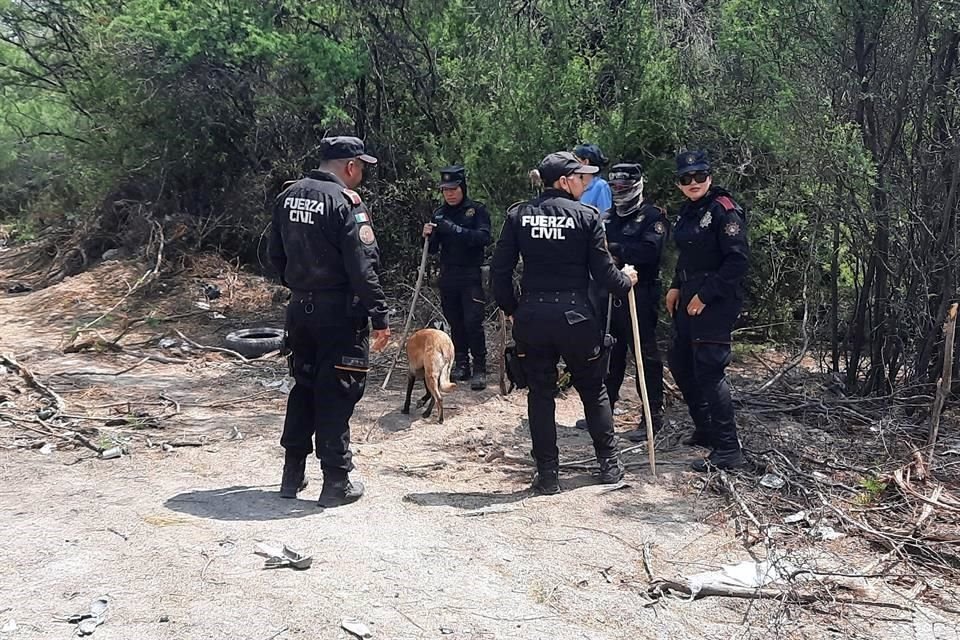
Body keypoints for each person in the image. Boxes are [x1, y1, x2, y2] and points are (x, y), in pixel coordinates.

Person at [492, 151, 638, 494]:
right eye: (580, 178)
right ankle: (609, 465)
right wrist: (627, 280)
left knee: (540, 394)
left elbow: (499, 271)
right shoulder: (586, 217)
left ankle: (548, 475)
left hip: (532, 316)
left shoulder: (519, 215)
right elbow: (605, 274)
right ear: (563, 181)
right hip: (575, 317)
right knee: (593, 388)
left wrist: (512, 308)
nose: (585, 184)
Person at [269, 136, 391, 506]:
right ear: (351, 166)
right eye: (362, 167)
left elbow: (275, 255)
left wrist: (300, 286)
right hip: (339, 314)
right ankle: (336, 481)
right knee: (337, 391)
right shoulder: (346, 203)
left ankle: (292, 476)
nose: (362, 175)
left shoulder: (287, 197)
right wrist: (379, 314)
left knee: (304, 386)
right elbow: (363, 268)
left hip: (299, 310)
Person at [666, 150, 749, 471]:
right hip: (688, 296)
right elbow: (687, 254)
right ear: (679, 184)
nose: (693, 183)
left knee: (710, 370)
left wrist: (705, 295)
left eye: (699, 176)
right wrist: (676, 284)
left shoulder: (723, 211)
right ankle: (706, 428)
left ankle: (729, 449)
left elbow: (737, 261)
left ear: (710, 177)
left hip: (715, 300)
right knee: (680, 360)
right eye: (686, 179)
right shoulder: (688, 211)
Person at [574, 163, 667, 441]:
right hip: (607, 293)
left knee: (645, 358)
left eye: (624, 187)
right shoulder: (606, 217)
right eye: (614, 187)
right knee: (608, 355)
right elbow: (593, 251)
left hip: (641, 295)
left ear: (636, 185)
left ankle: (652, 417)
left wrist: (615, 250)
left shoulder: (652, 217)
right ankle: (605, 412)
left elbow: (649, 252)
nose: (618, 192)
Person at [422, 166, 492, 390]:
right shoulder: (440, 213)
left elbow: (483, 238)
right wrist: (428, 235)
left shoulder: (476, 210)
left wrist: (453, 229)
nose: (450, 194)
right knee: (456, 321)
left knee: (473, 321)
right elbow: (432, 249)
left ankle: (480, 366)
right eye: (445, 190)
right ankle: (461, 363)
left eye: (453, 189)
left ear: (462, 188)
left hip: (470, 274)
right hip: (448, 274)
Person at [574, 143, 612, 215]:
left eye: (575, 160)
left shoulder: (600, 186)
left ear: (586, 162)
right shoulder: (574, 185)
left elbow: (605, 215)